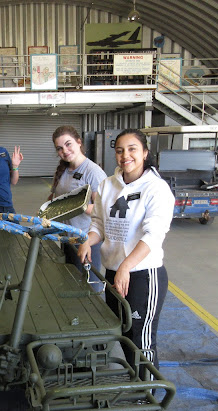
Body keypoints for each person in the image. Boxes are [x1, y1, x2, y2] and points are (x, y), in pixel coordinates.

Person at [77, 128, 174, 382]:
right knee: (122, 332)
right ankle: (134, 385)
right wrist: (88, 240)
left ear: (145, 152)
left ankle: (147, 394)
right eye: (120, 151)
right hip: (114, 272)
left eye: (132, 149)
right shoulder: (108, 185)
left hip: (142, 275)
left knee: (141, 338)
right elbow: (99, 224)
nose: (125, 156)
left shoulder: (157, 188)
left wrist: (126, 266)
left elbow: (153, 235)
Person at [49, 125, 107, 287]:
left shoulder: (93, 172)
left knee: (90, 286)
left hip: (86, 240)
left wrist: (77, 206)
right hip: (67, 237)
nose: (65, 151)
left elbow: (103, 211)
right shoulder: (63, 170)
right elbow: (56, 199)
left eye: (68, 144)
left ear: (79, 142)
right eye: (59, 148)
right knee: (71, 283)